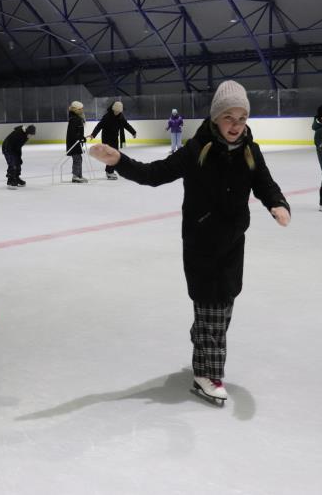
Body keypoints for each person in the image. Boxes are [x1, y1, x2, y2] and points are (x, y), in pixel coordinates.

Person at [89, 81, 290, 403]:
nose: (236, 125)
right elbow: (154, 174)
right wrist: (119, 161)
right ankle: (207, 374)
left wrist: (277, 203)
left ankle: (202, 340)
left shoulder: (250, 151)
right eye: (229, 117)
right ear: (216, 118)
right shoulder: (197, 149)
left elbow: (265, 183)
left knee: (224, 306)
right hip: (201, 243)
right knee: (212, 307)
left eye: (241, 118)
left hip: (233, 242)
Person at [90, 101, 136, 180]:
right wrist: (93, 134)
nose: (117, 113)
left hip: (115, 138)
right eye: (116, 111)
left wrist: (133, 132)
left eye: (119, 111)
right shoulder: (107, 117)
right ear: (113, 109)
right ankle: (109, 172)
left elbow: (126, 125)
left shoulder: (120, 116)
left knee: (114, 154)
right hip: (106, 138)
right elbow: (99, 126)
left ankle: (109, 171)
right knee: (111, 154)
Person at [2, 124, 36, 189]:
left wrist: (19, 158)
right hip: (7, 148)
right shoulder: (19, 133)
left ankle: (16, 178)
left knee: (18, 163)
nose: (31, 136)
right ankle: (10, 180)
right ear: (27, 131)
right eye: (30, 134)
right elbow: (10, 143)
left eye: (32, 135)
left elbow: (18, 147)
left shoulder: (26, 136)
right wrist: (12, 156)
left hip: (14, 149)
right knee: (12, 164)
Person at [66, 101, 88, 183]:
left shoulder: (77, 118)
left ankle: (79, 175)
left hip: (77, 143)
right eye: (80, 109)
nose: (82, 110)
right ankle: (75, 176)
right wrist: (79, 138)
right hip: (73, 143)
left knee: (79, 158)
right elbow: (72, 133)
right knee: (77, 159)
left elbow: (78, 132)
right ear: (76, 110)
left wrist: (82, 138)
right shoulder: (74, 119)